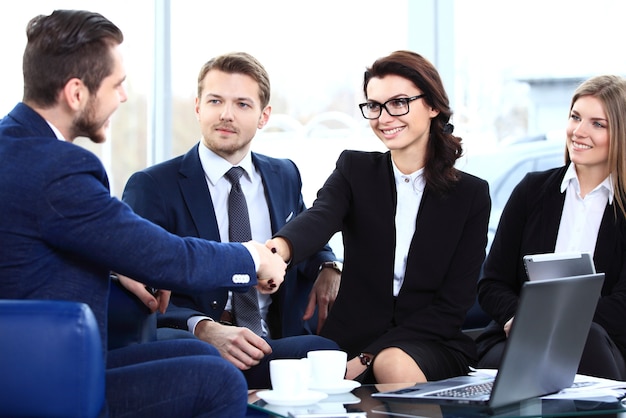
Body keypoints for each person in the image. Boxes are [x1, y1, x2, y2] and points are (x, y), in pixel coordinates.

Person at [0, 10, 287, 417]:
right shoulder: (57, 168)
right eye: (117, 85)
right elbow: (169, 256)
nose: (123, 96)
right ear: (77, 93)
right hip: (43, 381)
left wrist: (118, 264)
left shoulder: (12, 144)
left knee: (201, 359)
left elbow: (40, 242)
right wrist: (253, 257)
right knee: (217, 380)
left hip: (28, 366)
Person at [267, 50, 491, 384]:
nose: (384, 117)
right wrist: (276, 251)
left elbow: (453, 305)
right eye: (374, 105)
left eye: (398, 102)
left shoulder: (470, 194)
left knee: (392, 364)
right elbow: (319, 218)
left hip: (430, 340)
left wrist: (369, 357)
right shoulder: (355, 170)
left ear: (432, 106)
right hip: (351, 335)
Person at [121, 51, 341, 388]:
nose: (226, 115)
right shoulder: (152, 186)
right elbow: (138, 287)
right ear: (198, 107)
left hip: (273, 338)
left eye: (242, 104)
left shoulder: (284, 174)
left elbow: (308, 235)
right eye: (215, 101)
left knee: (324, 352)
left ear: (264, 115)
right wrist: (204, 327)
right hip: (199, 342)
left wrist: (329, 266)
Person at [476, 75, 626, 381]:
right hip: (518, 338)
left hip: (604, 344)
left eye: (598, 123)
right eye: (575, 117)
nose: (579, 131)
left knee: (588, 342)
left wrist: (548, 319)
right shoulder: (532, 191)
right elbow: (491, 284)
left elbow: (622, 307)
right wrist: (523, 320)